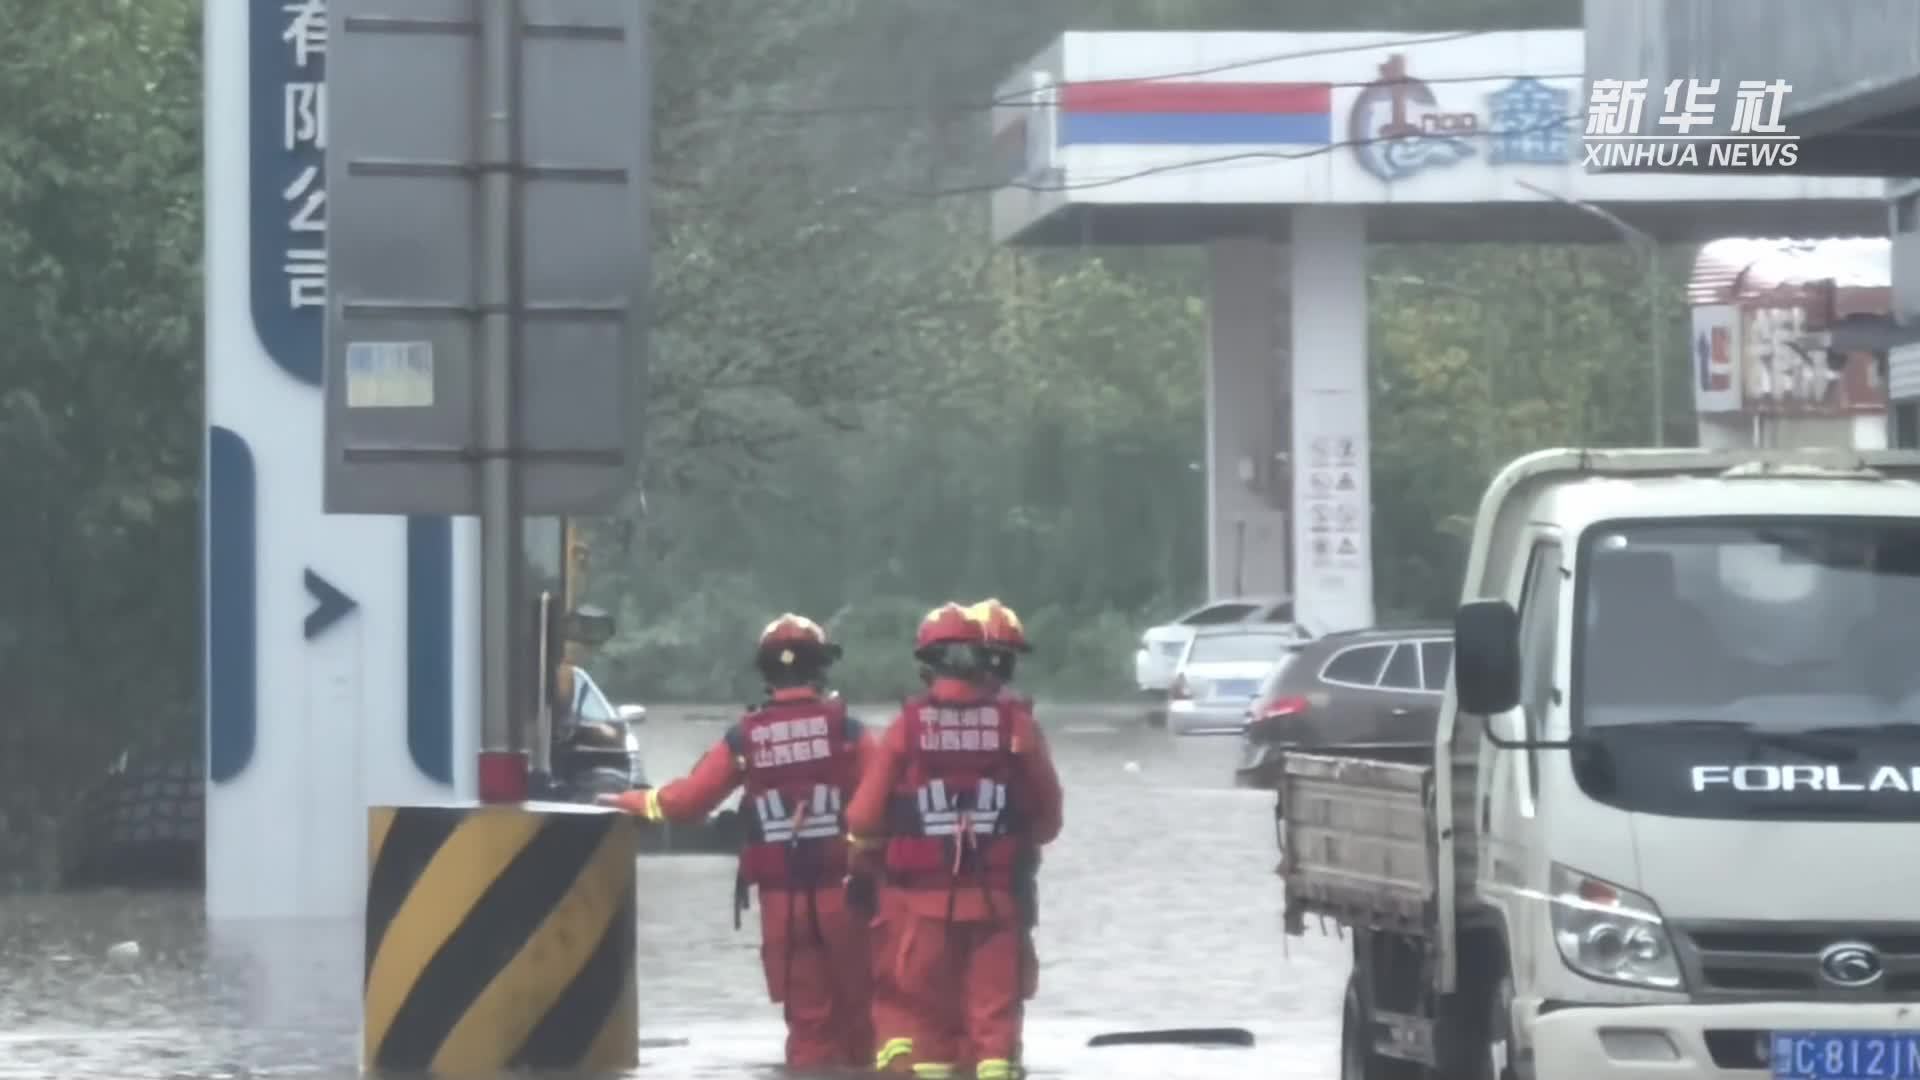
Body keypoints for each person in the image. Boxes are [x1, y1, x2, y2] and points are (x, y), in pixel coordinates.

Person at [600, 614, 875, 1070]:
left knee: (808, 1031)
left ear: (766, 672)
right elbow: (891, 793)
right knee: (864, 1026)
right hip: (846, 898)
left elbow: (687, 803)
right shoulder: (849, 732)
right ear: (821, 668)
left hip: (783, 907)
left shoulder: (746, 737)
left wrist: (625, 800)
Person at [848, 602, 1064, 1080]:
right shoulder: (1018, 728)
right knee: (994, 1037)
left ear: (928, 663)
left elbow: (862, 818)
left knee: (927, 1037)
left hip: (922, 910)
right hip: (999, 906)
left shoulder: (907, 727)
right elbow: (1048, 823)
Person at [965, 599, 1042, 1006]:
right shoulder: (1019, 723)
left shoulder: (916, 725)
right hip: (1004, 883)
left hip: (929, 891)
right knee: (999, 1005)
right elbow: (1046, 816)